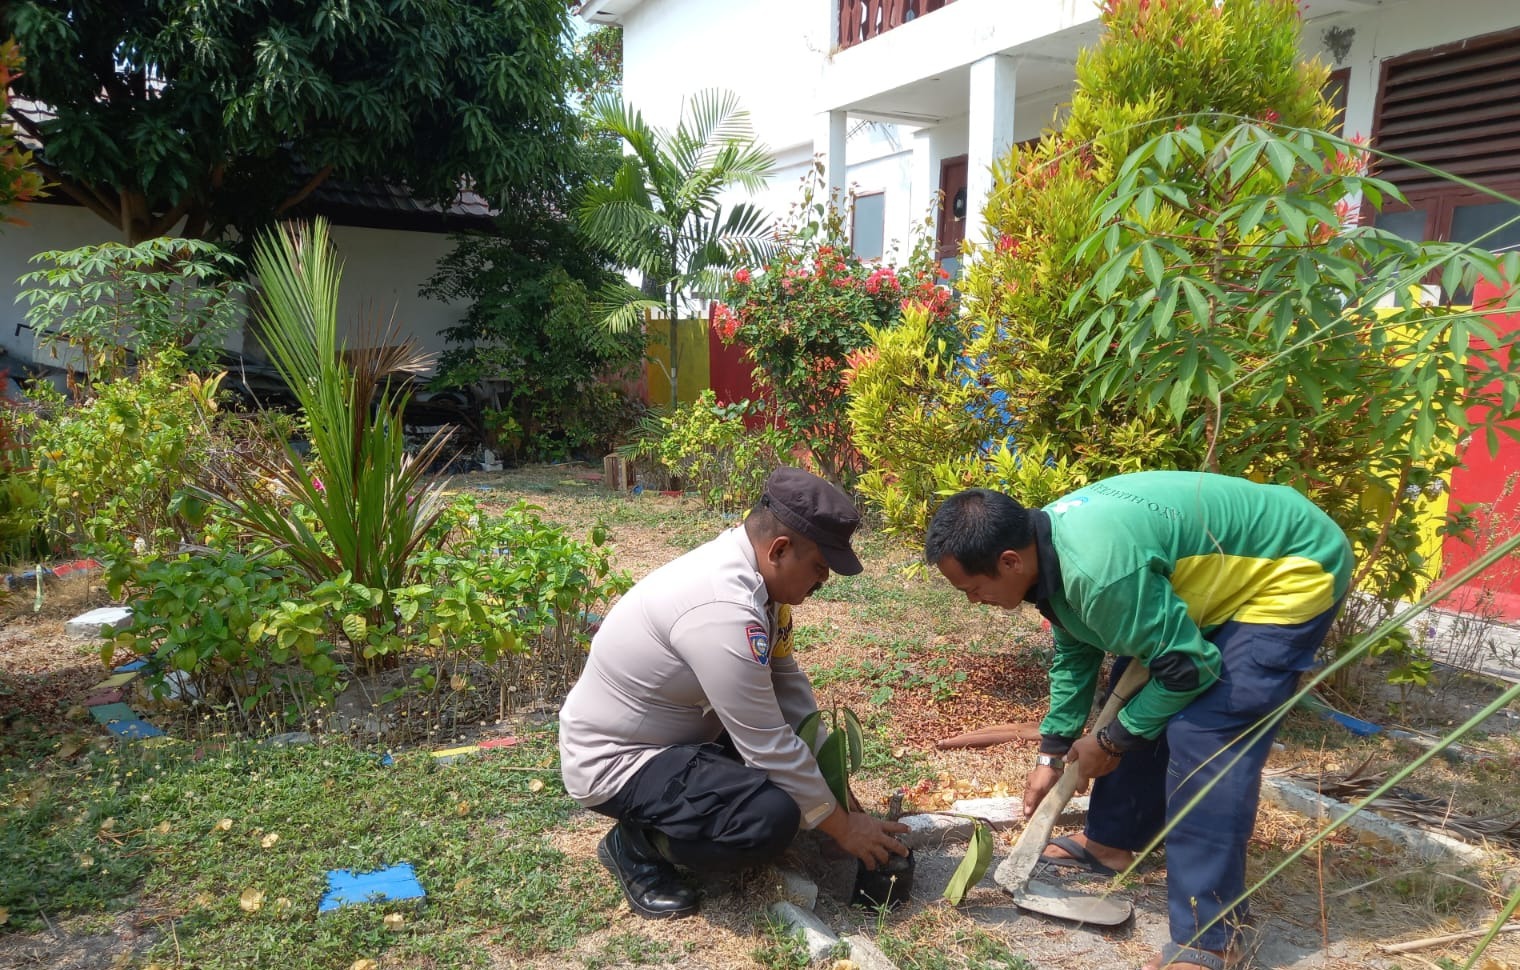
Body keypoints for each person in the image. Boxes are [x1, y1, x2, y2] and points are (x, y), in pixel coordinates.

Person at [924, 471, 1352, 970]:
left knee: (1206, 735)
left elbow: (1190, 668)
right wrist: (1054, 749)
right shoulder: (1048, 551)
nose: (973, 602)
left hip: (1289, 565)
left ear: (1010, 561)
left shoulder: (1100, 573)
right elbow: (1075, 649)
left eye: (972, 589)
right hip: (1216, 573)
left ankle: (1212, 939)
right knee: (1138, 697)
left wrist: (1110, 740)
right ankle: (1112, 842)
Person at [559, 466, 910, 919]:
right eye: (819, 569)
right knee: (769, 819)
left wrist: (834, 791)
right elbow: (766, 742)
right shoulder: (724, 608)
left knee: (793, 795)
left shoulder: (758, 578)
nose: (821, 584)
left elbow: (787, 688)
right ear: (780, 549)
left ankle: (675, 818)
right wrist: (842, 828)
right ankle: (637, 845)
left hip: (683, 734)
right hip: (620, 759)